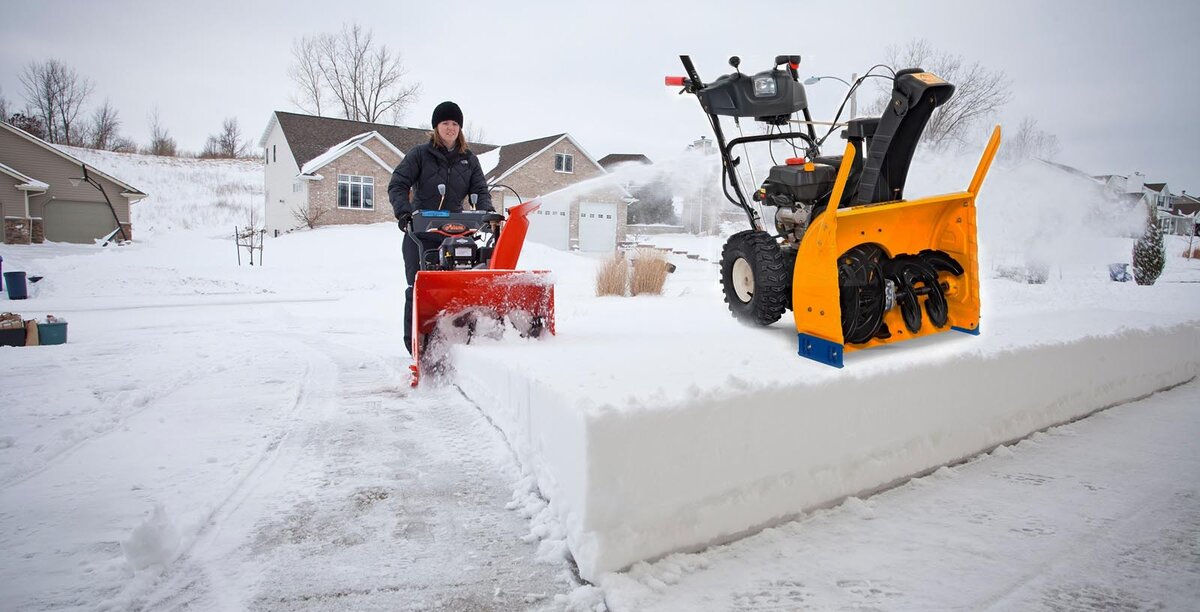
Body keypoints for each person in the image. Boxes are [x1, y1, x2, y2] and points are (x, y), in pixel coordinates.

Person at [389, 101, 494, 355]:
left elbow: (480, 190)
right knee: (418, 286)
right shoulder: (419, 155)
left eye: (455, 124)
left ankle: (465, 336)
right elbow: (398, 183)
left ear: (460, 128)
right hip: (422, 234)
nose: (450, 128)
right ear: (436, 127)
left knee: (464, 286)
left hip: (458, 234)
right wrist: (405, 213)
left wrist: (486, 213)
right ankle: (417, 347)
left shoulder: (468, 160)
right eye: (445, 123)